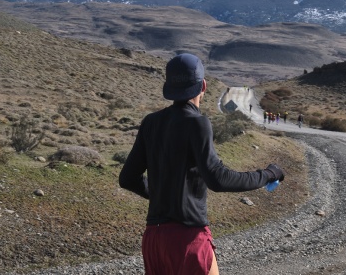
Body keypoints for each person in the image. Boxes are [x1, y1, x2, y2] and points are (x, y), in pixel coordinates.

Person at [119, 53, 285, 275]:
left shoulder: (150, 122)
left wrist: (162, 195)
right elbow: (217, 178)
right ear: (203, 85)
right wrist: (267, 174)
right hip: (187, 240)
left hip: (153, 240)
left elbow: (128, 178)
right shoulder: (197, 123)